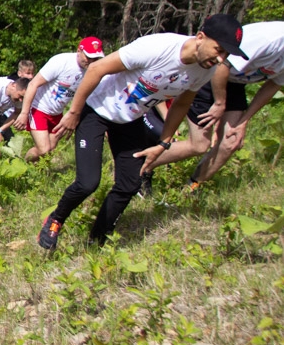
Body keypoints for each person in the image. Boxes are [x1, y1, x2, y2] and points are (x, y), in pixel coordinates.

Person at [39, 15, 244, 250]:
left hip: (130, 120)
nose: (220, 59)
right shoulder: (156, 48)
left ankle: (97, 238)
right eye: (218, 50)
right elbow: (96, 68)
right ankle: (55, 220)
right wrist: (74, 112)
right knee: (88, 183)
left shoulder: (205, 69)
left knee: (130, 184)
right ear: (200, 37)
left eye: (226, 55)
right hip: (96, 110)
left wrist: (163, 143)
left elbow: (181, 104)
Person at [143, 21, 284, 191]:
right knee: (199, 145)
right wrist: (219, 103)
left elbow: (273, 86)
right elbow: (221, 63)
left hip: (235, 84)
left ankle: (191, 188)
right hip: (210, 73)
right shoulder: (270, 39)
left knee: (232, 141)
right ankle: (141, 168)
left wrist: (244, 121)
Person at [12, 37, 104, 162]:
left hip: (57, 113)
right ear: (79, 51)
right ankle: (23, 164)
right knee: (43, 149)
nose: (91, 61)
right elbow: (33, 84)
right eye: (88, 57)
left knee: (50, 149)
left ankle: (37, 171)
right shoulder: (61, 61)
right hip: (39, 108)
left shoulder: (94, 70)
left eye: (95, 58)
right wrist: (24, 113)